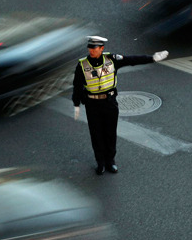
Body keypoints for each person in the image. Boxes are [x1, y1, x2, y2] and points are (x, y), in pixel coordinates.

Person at [72, 36, 168, 175]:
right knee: (96, 135)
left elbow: (132, 60)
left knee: (110, 134)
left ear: (102, 48)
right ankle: (100, 163)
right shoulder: (82, 65)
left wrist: (152, 58)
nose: (91, 51)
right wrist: (76, 103)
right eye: (90, 48)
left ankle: (110, 161)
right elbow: (77, 85)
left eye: (94, 48)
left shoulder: (111, 60)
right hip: (92, 105)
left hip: (109, 102)